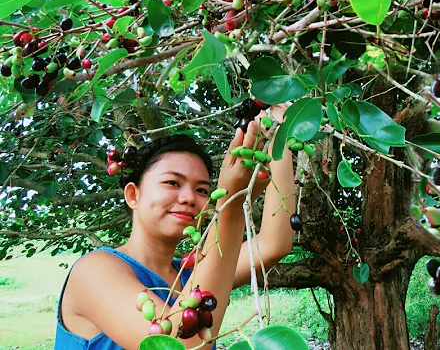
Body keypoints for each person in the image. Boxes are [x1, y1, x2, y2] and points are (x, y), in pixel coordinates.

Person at [54, 105, 297, 349]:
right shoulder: (94, 271)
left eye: (202, 190)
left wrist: (280, 136)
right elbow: (182, 343)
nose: (189, 198)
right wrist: (231, 205)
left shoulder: (190, 274)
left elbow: (273, 243)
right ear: (133, 195)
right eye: (172, 182)